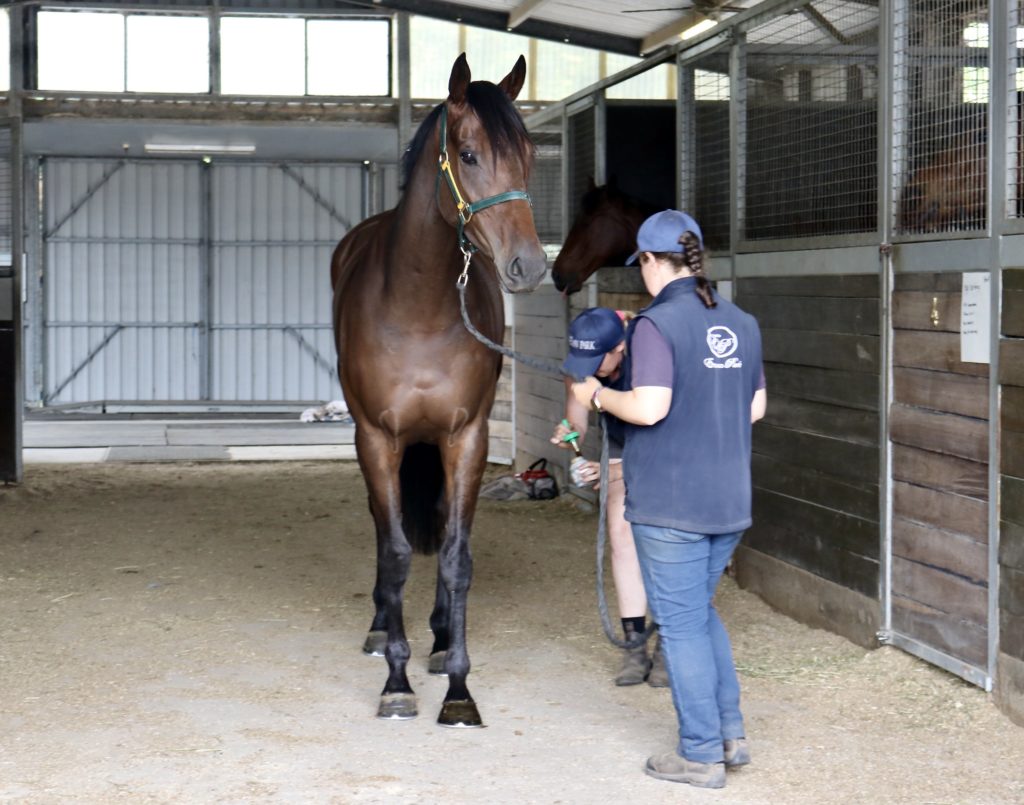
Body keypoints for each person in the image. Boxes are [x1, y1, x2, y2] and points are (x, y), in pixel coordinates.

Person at [571, 210, 766, 789]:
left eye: (642, 265)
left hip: (673, 503)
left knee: (680, 626)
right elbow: (754, 409)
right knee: (698, 615)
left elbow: (650, 407)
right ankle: (730, 736)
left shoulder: (655, 326)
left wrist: (599, 395)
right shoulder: (741, 321)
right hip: (729, 497)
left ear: (652, 262)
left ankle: (700, 752)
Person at [551, 308, 666, 687]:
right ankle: (635, 645)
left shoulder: (647, 357)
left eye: (596, 358)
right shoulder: (584, 366)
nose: (589, 368)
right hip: (620, 446)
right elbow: (577, 417)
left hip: (662, 444)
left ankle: (668, 639)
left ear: (620, 347)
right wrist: (570, 436)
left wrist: (612, 470)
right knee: (620, 534)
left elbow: (655, 419)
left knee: (666, 540)